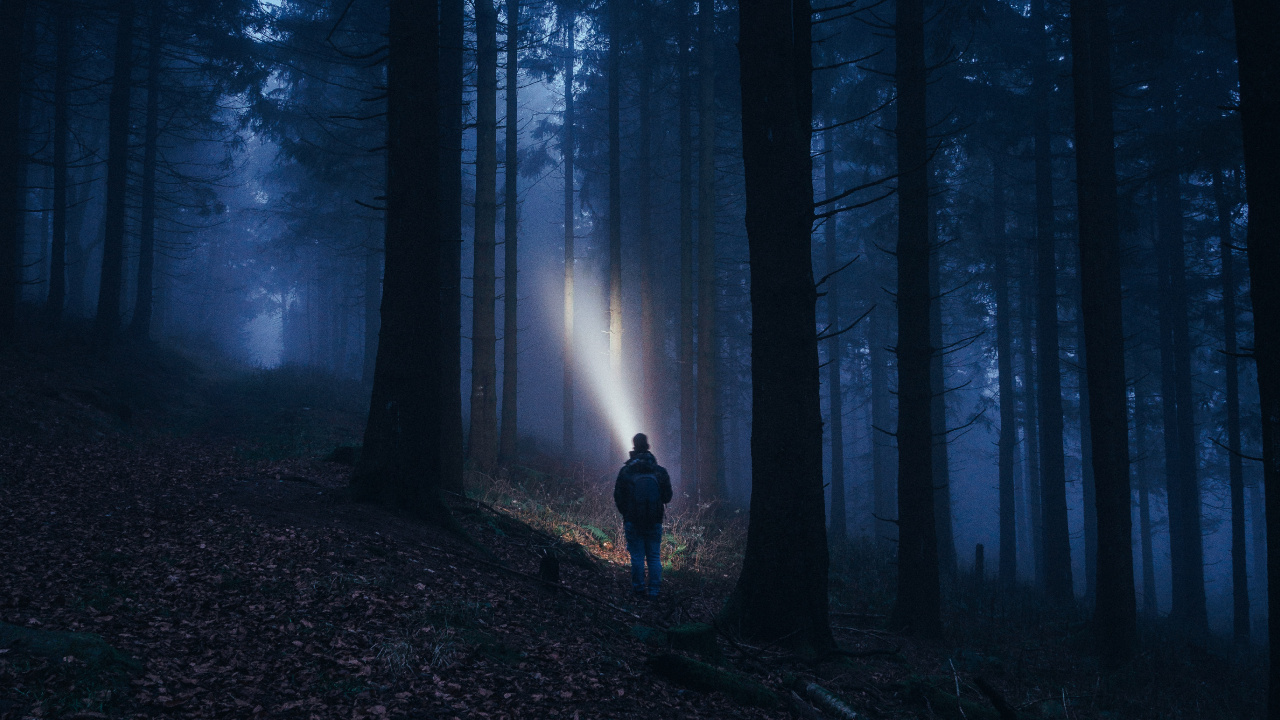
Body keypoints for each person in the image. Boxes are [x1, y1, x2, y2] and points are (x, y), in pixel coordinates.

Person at [613, 433, 672, 597]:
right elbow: (668, 497)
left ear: (633, 447)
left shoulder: (626, 471)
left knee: (637, 557)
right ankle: (654, 591)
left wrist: (627, 513)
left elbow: (618, 496)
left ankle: (638, 589)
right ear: (648, 447)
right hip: (655, 521)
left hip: (633, 520)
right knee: (654, 556)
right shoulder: (659, 471)